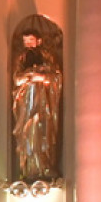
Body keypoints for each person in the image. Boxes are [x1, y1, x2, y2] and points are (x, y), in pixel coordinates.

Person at [11, 29, 61, 182]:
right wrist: (29, 76)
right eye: (26, 41)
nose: (28, 44)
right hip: (25, 104)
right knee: (27, 132)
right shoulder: (21, 59)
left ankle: (44, 166)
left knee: (41, 131)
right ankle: (29, 168)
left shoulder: (47, 57)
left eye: (31, 40)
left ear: (39, 41)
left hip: (43, 103)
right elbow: (17, 79)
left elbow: (55, 77)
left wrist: (41, 76)